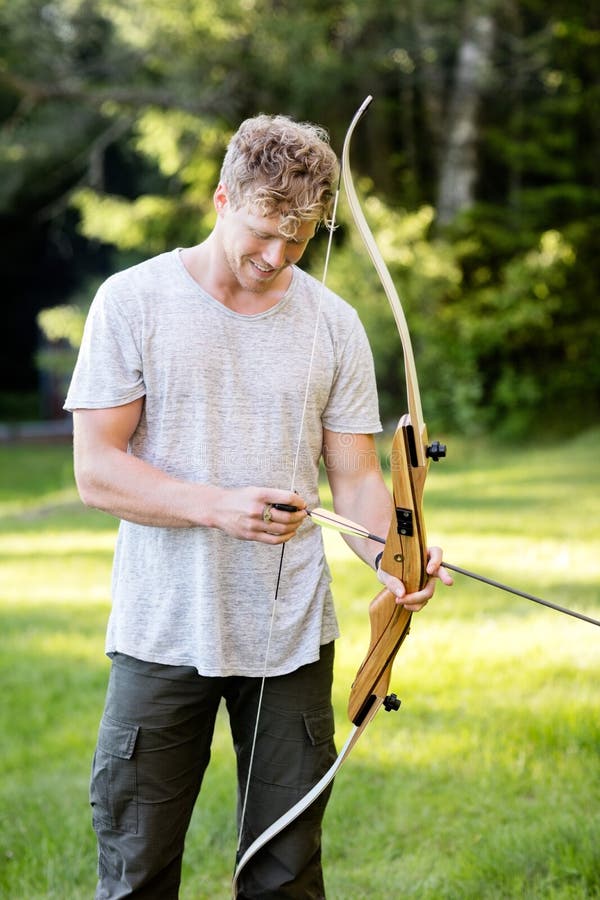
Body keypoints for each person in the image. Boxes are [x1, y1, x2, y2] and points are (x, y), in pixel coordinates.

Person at [65, 112, 452, 899]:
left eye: (301, 237)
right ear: (221, 198)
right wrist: (216, 507)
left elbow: (358, 481)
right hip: (161, 630)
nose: (278, 257)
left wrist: (395, 554)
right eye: (265, 231)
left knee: (285, 872)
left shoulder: (334, 325)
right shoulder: (131, 302)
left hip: (292, 637)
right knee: (137, 867)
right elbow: (97, 471)